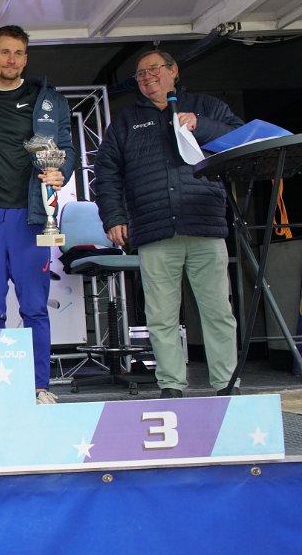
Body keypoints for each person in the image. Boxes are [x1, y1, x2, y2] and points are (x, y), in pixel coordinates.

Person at [94, 49, 243, 398]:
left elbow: (241, 139)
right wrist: (114, 216)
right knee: (160, 315)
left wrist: (201, 125)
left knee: (218, 311)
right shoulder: (125, 122)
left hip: (204, 223)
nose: (147, 77)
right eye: (140, 74)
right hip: (154, 228)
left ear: (173, 71)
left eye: (154, 69)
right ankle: (171, 385)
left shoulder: (206, 107)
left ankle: (227, 384)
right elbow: (106, 173)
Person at [0, 25, 75, 406]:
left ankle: (39, 386)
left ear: (26, 59)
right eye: (4, 52)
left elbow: (66, 149)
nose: (11, 59)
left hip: (32, 216)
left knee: (34, 308)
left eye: (18, 53)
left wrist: (62, 172)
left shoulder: (50, 101)